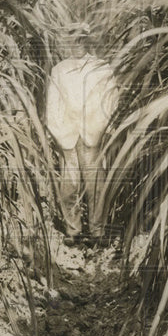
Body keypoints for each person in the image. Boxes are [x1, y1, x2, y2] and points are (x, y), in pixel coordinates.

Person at [46, 23, 118, 245]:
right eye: (73, 41)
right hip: (67, 134)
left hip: (92, 133)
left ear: (88, 41)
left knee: (95, 182)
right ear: (68, 42)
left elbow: (111, 101)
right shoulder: (59, 70)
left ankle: (98, 231)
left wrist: (98, 125)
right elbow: (52, 104)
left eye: (81, 40)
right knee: (69, 185)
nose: (77, 45)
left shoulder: (102, 68)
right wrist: (59, 131)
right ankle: (73, 230)